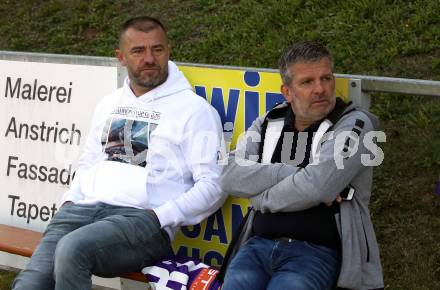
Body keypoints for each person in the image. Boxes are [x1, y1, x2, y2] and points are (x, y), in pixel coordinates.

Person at [12, 16, 226, 290]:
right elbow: (89, 160)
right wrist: (71, 200)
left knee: (72, 249)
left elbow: (214, 184)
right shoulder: (109, 103)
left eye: (157, 49)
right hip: (81, 211)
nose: (149, 58)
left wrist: (161, 216)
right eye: (138, 51)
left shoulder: (195, 111)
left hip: (141, 222)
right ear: (121, 57)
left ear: (168, 50)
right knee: (31, 282)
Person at [220, 42, 384, 290]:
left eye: (326, 78)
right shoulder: (269, 120)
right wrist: (293, 173)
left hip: (316, 252)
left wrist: (259, 199)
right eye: (307, 82)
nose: (320, 89)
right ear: (287, 92)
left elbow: (318, 187)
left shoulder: (354, 125)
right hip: (257, 245)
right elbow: (228, 174)